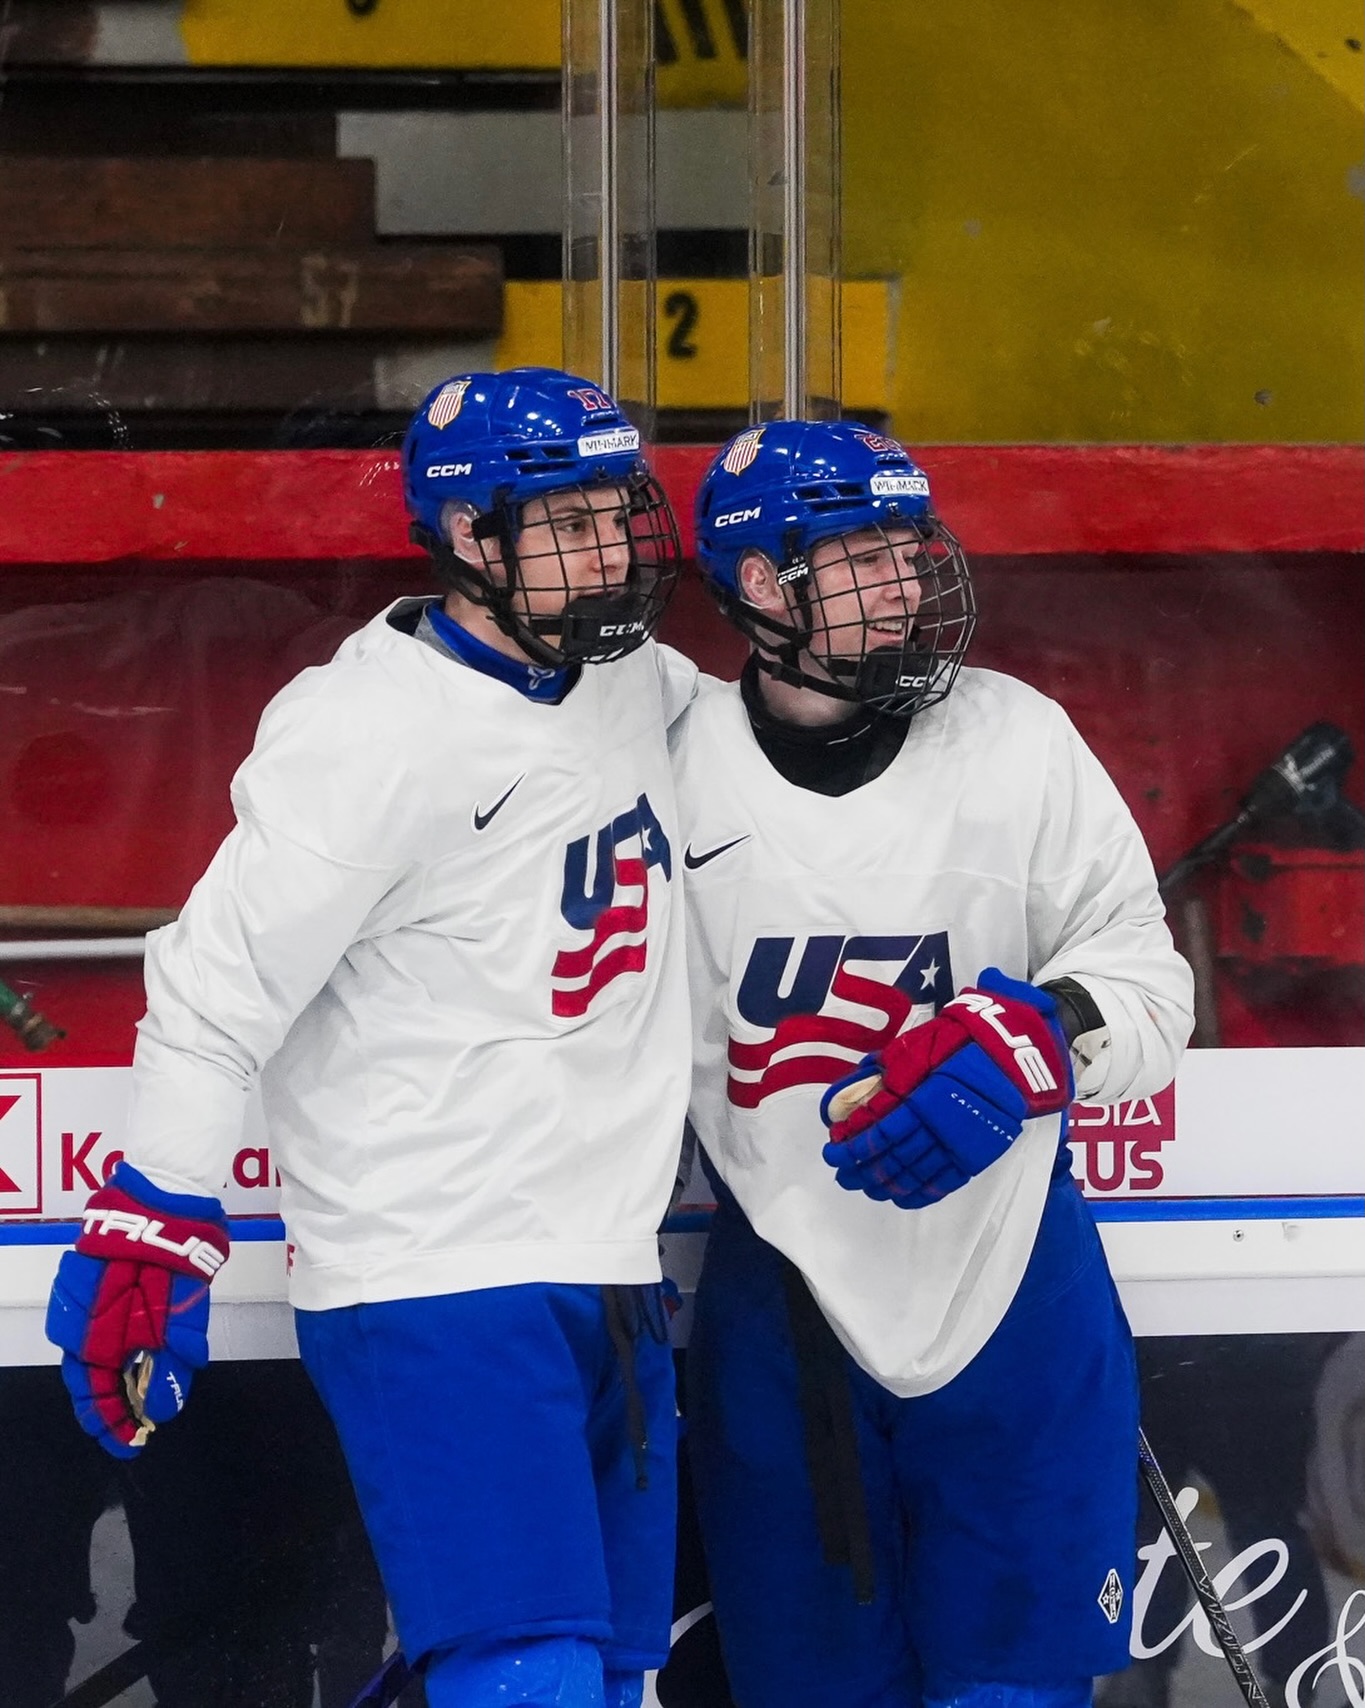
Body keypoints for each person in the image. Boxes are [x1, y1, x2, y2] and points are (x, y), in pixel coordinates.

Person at [45, 367, 699, 1708]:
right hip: (436, 1273)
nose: (613, 550)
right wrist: (151, 1223)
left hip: (614, 1264)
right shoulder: (366, 730)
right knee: (528, 1675)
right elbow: (211, 993)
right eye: (566, 523)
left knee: (623, 1674)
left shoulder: (638, 679)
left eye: (617, 514)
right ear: (469, 538)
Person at [671, 419, 1195, 1708]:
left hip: (1016, 1283)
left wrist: (1041, 1031)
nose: (908, 579)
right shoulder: (665, 768)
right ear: (759, 584)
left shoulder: (1017, 738)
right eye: (864, 555)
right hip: (780, 1310)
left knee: (1016, 1694)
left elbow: (1149, 983)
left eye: (911, 546)